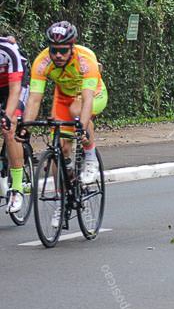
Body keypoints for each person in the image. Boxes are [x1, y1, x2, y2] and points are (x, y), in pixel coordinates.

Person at [20, 22, 108, 226]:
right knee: (58, 150)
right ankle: (61, 200)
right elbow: (34, 99)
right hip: (64, 96)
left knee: (77, 111)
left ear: (72, 48)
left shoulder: (85, 60)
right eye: (54, 51)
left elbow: (86, 101)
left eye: (62, 51)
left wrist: (81, 127)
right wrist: (25, 127)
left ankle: (90, 156)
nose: (57, 55)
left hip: (92, 93)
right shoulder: (42, 62)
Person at [0, 35, 29, 213]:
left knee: (8, 128)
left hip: (16, 85)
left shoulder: (7, 50)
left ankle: (17, 189)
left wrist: (8, 116)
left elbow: (15, 89)